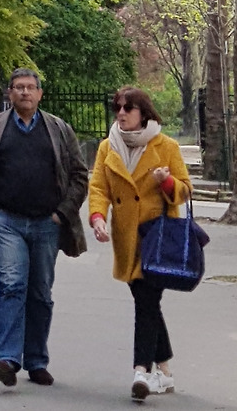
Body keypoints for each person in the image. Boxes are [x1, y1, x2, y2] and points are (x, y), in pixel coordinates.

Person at [0, 68, 89, 388]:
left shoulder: (58, 129)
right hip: (6, 221)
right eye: (18, 87)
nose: (25, 92)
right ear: (9, 93)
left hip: (47, 222)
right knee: (12, 285)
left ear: (39, 94)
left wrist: (62, 213)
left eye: (30, 87)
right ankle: (6, 359)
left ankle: (36, 360)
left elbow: (79, 175)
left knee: (40, 292)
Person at [88, 86, 193, 400]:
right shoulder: (108, 147)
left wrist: (166, 182)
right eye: (117, 108)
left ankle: (141, 372)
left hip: (156, 238)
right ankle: (165, 372)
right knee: (148, 303)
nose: (121, 114)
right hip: (126, 238)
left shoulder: (166, 146)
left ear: (143, 113)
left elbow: (185, 191)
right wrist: (97, 217)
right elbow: (99, 187)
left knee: (146, 303)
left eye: (128, 108)